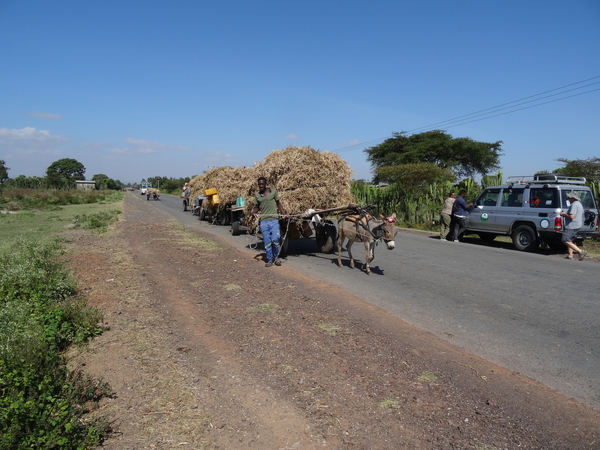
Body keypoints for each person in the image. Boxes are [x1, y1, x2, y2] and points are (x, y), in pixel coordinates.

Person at [251, 177, 288, 267]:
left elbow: (278, 204)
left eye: (262, 184)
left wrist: (284, 214)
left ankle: (276, 258)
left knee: (275, 240)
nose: (261, 186)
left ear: (266, 183)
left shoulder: (273, 192)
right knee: (267, 242)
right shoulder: (257, 195)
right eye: (259, 184)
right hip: (264, 222)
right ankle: (270, 260)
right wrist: (253, 212)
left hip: (274, 220)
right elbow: (257, 207)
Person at [560, 191, 587, 260]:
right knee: (570, 240)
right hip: (577, 225)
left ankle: (580, 251)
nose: (568, 198)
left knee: (565, 240)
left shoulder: (574, 205)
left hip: (572, 225)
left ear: (573, 198)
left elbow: (572, 216)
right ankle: (570, 255)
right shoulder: (579, 204)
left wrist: (564, 214)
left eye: (569, 197)